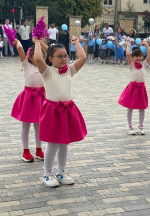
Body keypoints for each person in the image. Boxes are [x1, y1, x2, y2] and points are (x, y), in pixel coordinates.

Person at [34, 37, 87, 187]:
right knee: (53, 144)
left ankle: (61, 172)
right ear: (50, 58)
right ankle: (47, 174)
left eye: (65, 55)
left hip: (68, 110)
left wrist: (77, 44)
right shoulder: (47, 72)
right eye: (59, 56)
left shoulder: (69, 70)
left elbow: (82, 57)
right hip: (53, 111)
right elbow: (38, 58)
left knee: (64, 143)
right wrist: (37, 42)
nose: (64, 59)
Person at [11, 39, 48, 162]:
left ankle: (39, 149)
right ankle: (25, 151)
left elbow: (52, 52)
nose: (39, 58)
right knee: (25, 126)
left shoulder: (45, 67)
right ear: (30, 57)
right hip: (28, 98)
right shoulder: (26, 65)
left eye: (42, 56)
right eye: (36, 56)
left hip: (41, 99)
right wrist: (16, 42)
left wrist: (40, 43)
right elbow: (20, 49)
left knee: (39, 126)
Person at [118, 41, 150, 135]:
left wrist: (146, 44)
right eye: (136, 56)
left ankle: (140, 126)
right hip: (132, 89)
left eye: (140, 56)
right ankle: (130, 126)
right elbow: (128, 54)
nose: (138, 58)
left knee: (142, 108)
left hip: (141, 89)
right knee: (130, 108)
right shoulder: (131, 66)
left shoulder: (144, 65)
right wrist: (128, 46)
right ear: (133, 58)